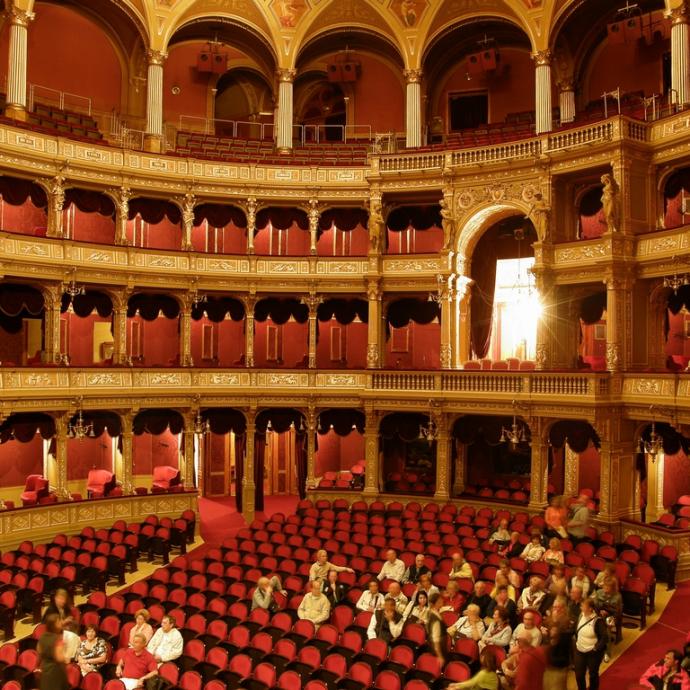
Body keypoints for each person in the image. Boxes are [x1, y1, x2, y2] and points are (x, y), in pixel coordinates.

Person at [573, 597, 607, 690]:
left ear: (590, 608)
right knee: (579, 675)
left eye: (583, 605)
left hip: (593, 653)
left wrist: (596, 648)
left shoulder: (598, 621)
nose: (581, 607)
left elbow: (604, 637)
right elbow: (576, 629)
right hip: (579, 651)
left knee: (593, 674)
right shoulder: (581, 615)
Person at [593, 577, 621, 662]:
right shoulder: (598, 593)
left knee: (607, 633)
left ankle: (607, 653)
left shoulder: (617, 596)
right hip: (598, 614)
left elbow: (617, 612)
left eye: (607, 587)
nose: (605, 589)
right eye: (604, 586)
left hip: (611, 616)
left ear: (612, 588)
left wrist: (607, 613)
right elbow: (594, 605)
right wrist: (600, 610)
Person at [38, 613, 69, 690]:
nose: (61, 623)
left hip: (45, 669)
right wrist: (66, 658)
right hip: (56, 672)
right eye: (59, 622)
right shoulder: (58, 639)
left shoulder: (43, 636)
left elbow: (39, 650)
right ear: (53, 625)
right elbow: (59, 658)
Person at [426, 592, 448, 666]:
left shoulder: (430, 612)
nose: (442, 601)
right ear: (436, 603)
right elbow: (436, 639)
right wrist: (440, 656)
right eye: (440, 600)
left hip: (432, 644)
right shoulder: (435, 620)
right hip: (438, 648)